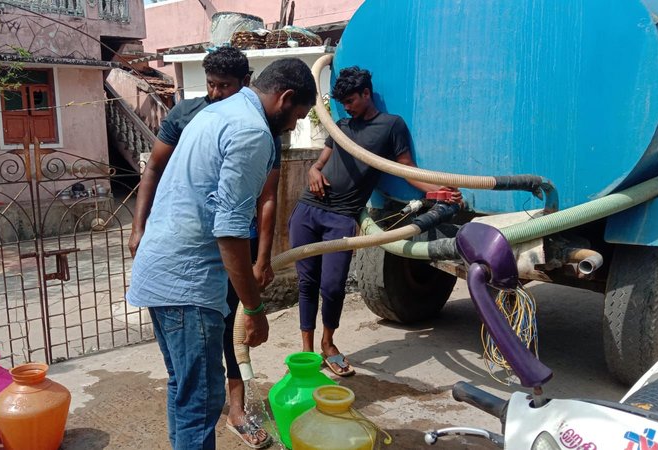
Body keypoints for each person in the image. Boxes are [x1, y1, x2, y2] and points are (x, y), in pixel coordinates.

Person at [127, 57, 316, 450]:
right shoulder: (251, 131)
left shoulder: (218, 114)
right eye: (298, 115)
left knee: (185, 389)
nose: (295, 125)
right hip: (188, 282)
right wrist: (254, 308)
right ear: (286, 98)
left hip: (160, 272)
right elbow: (230, 230)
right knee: (201, 401)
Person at [289, 66, 462, 377]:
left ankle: (328, 344)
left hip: (342, 217)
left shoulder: (390, 126)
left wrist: (437, 191)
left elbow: (406, 168)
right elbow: (322, 161)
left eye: (352, 100)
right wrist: (313, 171)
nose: (347, 107)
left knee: (332, 286)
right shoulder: (340, 125)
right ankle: (307, 351)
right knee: (307, 283)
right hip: (308, 210)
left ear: (367, 94)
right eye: (342, 102)